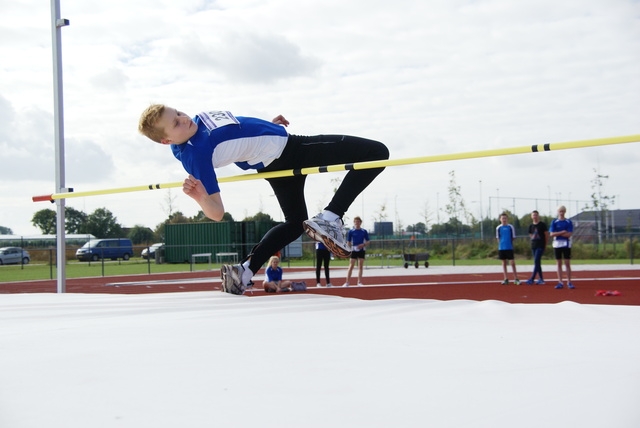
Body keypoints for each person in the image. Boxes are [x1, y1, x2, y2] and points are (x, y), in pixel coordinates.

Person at [138, 105, 389, 295]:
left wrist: (268, 129)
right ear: (166, 140)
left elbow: (235, 135)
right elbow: (216, 213)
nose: (184, 119)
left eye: (179, 112)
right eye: (176, 123)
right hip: (291, 151)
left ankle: (244, 271)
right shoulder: (196, 155)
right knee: (376, 152)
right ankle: (331, 217)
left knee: (294, 224)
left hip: (273, 157)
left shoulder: (191, 129)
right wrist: (201, 197)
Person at [549, 205, 574, 289]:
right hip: (557, 244)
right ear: (558, 212)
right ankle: (560, 281)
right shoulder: (554, 222)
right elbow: (552, 234)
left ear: (565, 212)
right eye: (560, 211)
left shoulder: (568, 222)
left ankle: (569, 281)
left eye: (563, 211)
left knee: (567, 263)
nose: (561, 213)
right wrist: (562, 232)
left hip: (566, 244)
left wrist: (559, 233)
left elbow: (569, 234)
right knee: (558, 263)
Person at [343, 216, 370, 286]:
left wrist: (363, 245)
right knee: (351, 265)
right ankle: (347, 282)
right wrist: (347, 249)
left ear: (360, 223)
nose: (357, 223)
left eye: (358, 221)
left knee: (360, 266)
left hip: (361, 250)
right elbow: (348, 241)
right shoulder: (351, 231)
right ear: (354, 223)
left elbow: (368, 241)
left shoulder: (364, 231)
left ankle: (359, 282)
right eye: (355, 221)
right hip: (353, 250)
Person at [496, 212, 520, 285]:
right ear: (500, 219)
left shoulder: (510, 227)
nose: (504, 220)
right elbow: (498, 238)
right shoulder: (498, 228)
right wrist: (501, 245)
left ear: (507, 219)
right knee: (504, 263)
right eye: (503, 218)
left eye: (505, 218)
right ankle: (506, 278)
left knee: (512, 262)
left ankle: (516, 278)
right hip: (501, 248)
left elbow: (513, 237)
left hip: (509, 247)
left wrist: (508, 243)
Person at [525, 210, 549, 285]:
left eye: (536, 215)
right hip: (534, 246)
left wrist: (545, 245)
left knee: (536, 261)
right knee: (537, 262)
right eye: (533, 215)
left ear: (538, 216)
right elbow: (531, 235)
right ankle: (540, 279)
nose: (535, 216)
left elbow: (546, 235)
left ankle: (533, 278)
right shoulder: (531, 226)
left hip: (540, 245)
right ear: (531, 216)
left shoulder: (542, 225)